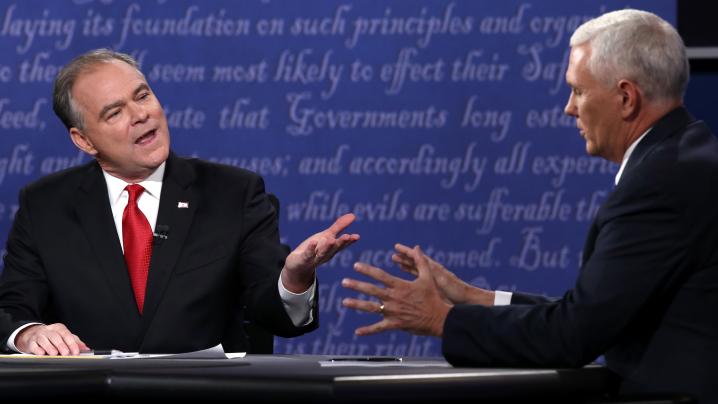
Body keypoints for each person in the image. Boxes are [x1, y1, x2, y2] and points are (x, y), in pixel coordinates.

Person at [342, 9, 718, 402]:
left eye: (578, 90)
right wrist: (475, 298)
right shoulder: (684, 157)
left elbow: (573, 334)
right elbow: (599, 311)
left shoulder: (660, 183)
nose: (569, 108)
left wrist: (441, 319)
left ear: (626, 98)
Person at [0, 48, 359, 356]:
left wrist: (294, 279)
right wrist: (29, 334)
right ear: (84, 140)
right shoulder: (45, 206)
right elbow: (11, 309)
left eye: (142, 96)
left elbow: (275, 316)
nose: (141, 114)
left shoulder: (233, 193)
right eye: (115, 112)